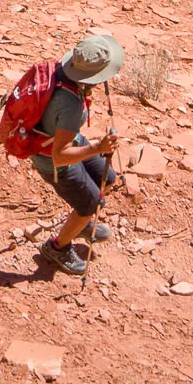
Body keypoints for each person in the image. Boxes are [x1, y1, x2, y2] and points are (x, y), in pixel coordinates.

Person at [29, 32, 124, 275]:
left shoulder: (63, 72)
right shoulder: (69, 104)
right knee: (90, 203)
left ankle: (79, 223)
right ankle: (57, 247)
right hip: (53, 160)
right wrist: (98, 148)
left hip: (66, 140)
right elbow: (60, 156)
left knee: (108, 179)